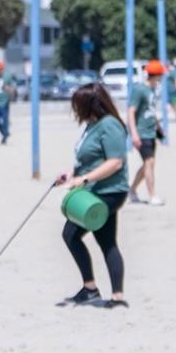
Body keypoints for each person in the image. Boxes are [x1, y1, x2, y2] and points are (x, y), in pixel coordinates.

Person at [57, 83, 130, 309]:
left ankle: (94, 289)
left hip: (109, 192)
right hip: (94, 192)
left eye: (77, 105)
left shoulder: (110, 125)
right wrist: (72, 175)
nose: (75, 110)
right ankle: (111, 295)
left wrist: (85, 179)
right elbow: (90, 158)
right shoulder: (93, 125)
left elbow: (115, 162)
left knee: (71, 234)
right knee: (106, 241)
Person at [128, 59, 164, 206]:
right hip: (141, 132)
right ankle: (152, 195)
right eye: (161, 75)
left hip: (151, 132)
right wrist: (134, 134)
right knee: (149, 163)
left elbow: (151, 110)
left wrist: (159, 128)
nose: (162, 77)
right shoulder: (139, 90)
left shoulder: (153, 90)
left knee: (147, 164)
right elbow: (131, 112)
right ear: (155, 75)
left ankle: (132, 190)